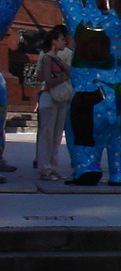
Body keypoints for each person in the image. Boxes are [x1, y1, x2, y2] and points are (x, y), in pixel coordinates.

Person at [35, 26, 72, 181]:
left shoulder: (57, 57)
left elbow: (70, 71)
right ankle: (45, 168)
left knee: (57, 135)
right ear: (54, 41)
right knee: (47, 134)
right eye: (62, 39)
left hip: (61, 99)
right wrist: (63, 78)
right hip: (49, 97)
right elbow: (48, 80)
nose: (64, 41)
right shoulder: (47, 57)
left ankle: (53, 166)